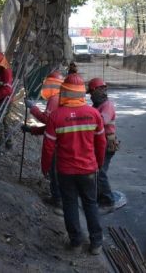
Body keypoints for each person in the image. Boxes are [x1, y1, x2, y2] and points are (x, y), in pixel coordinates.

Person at [40, 74, 106, 255]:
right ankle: (96, 244)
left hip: (66, 171)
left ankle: (76, 242)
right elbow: (101, 143)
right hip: (89, 170)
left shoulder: (56, 117)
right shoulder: (94, 114)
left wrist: (45, 167)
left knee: (70, 204)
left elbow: (48, 147)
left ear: (64, 92)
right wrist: (98, 163)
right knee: (90, 204)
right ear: (82, 93)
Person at [23, 70, 64, 212]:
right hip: (62, 138)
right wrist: (31, 130)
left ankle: (58, 200)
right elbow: (50, 126)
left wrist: (33, 108)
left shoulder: (54, 99)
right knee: (59, 171)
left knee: (54, 170)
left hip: (57, 142)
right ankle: (60, 197)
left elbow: (48, 121)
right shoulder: (62, 97)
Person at [87, 78, 119, 211]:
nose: (90, 96)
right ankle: (100, 196)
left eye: (91, 93)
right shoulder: (96, 105)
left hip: (106, 143)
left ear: (97, 91)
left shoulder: (107, 105)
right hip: (99, 142)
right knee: (96, 171)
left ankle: (108, 201)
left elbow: (101, 121)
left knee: (100, 172)